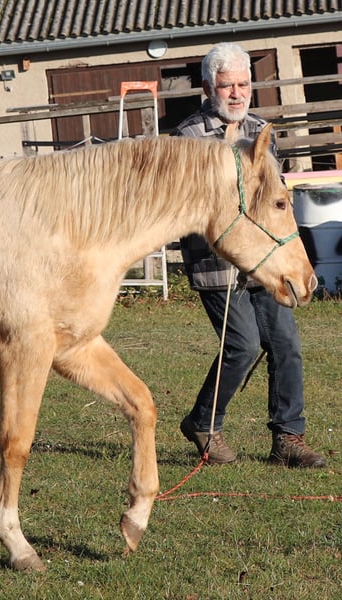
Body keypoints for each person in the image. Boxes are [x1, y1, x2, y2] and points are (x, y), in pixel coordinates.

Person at [169, 42, 326, 468]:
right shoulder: (188, 138)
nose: (236, 93)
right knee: (243, 345)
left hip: (263, 264)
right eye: (227, 86)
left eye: (243, 84)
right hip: (216, 265)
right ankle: (204, 422)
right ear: (208, 88)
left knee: (286, 344)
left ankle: (288, 438)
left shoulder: (261, 133)